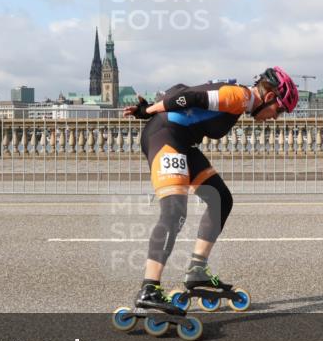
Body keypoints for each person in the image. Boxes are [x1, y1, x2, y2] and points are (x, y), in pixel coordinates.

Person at [121, 67, 299, 316]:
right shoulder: (239, 97)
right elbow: (189, 97)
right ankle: (149, 288)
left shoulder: (242, 101)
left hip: (182, 142)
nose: (276, 117)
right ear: (269, 98)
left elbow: (181, 90)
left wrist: (152, 106)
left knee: (220, 199)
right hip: (166, 137)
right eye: (279, 110)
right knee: (174, 211)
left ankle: (197, 271)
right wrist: (149, 110)